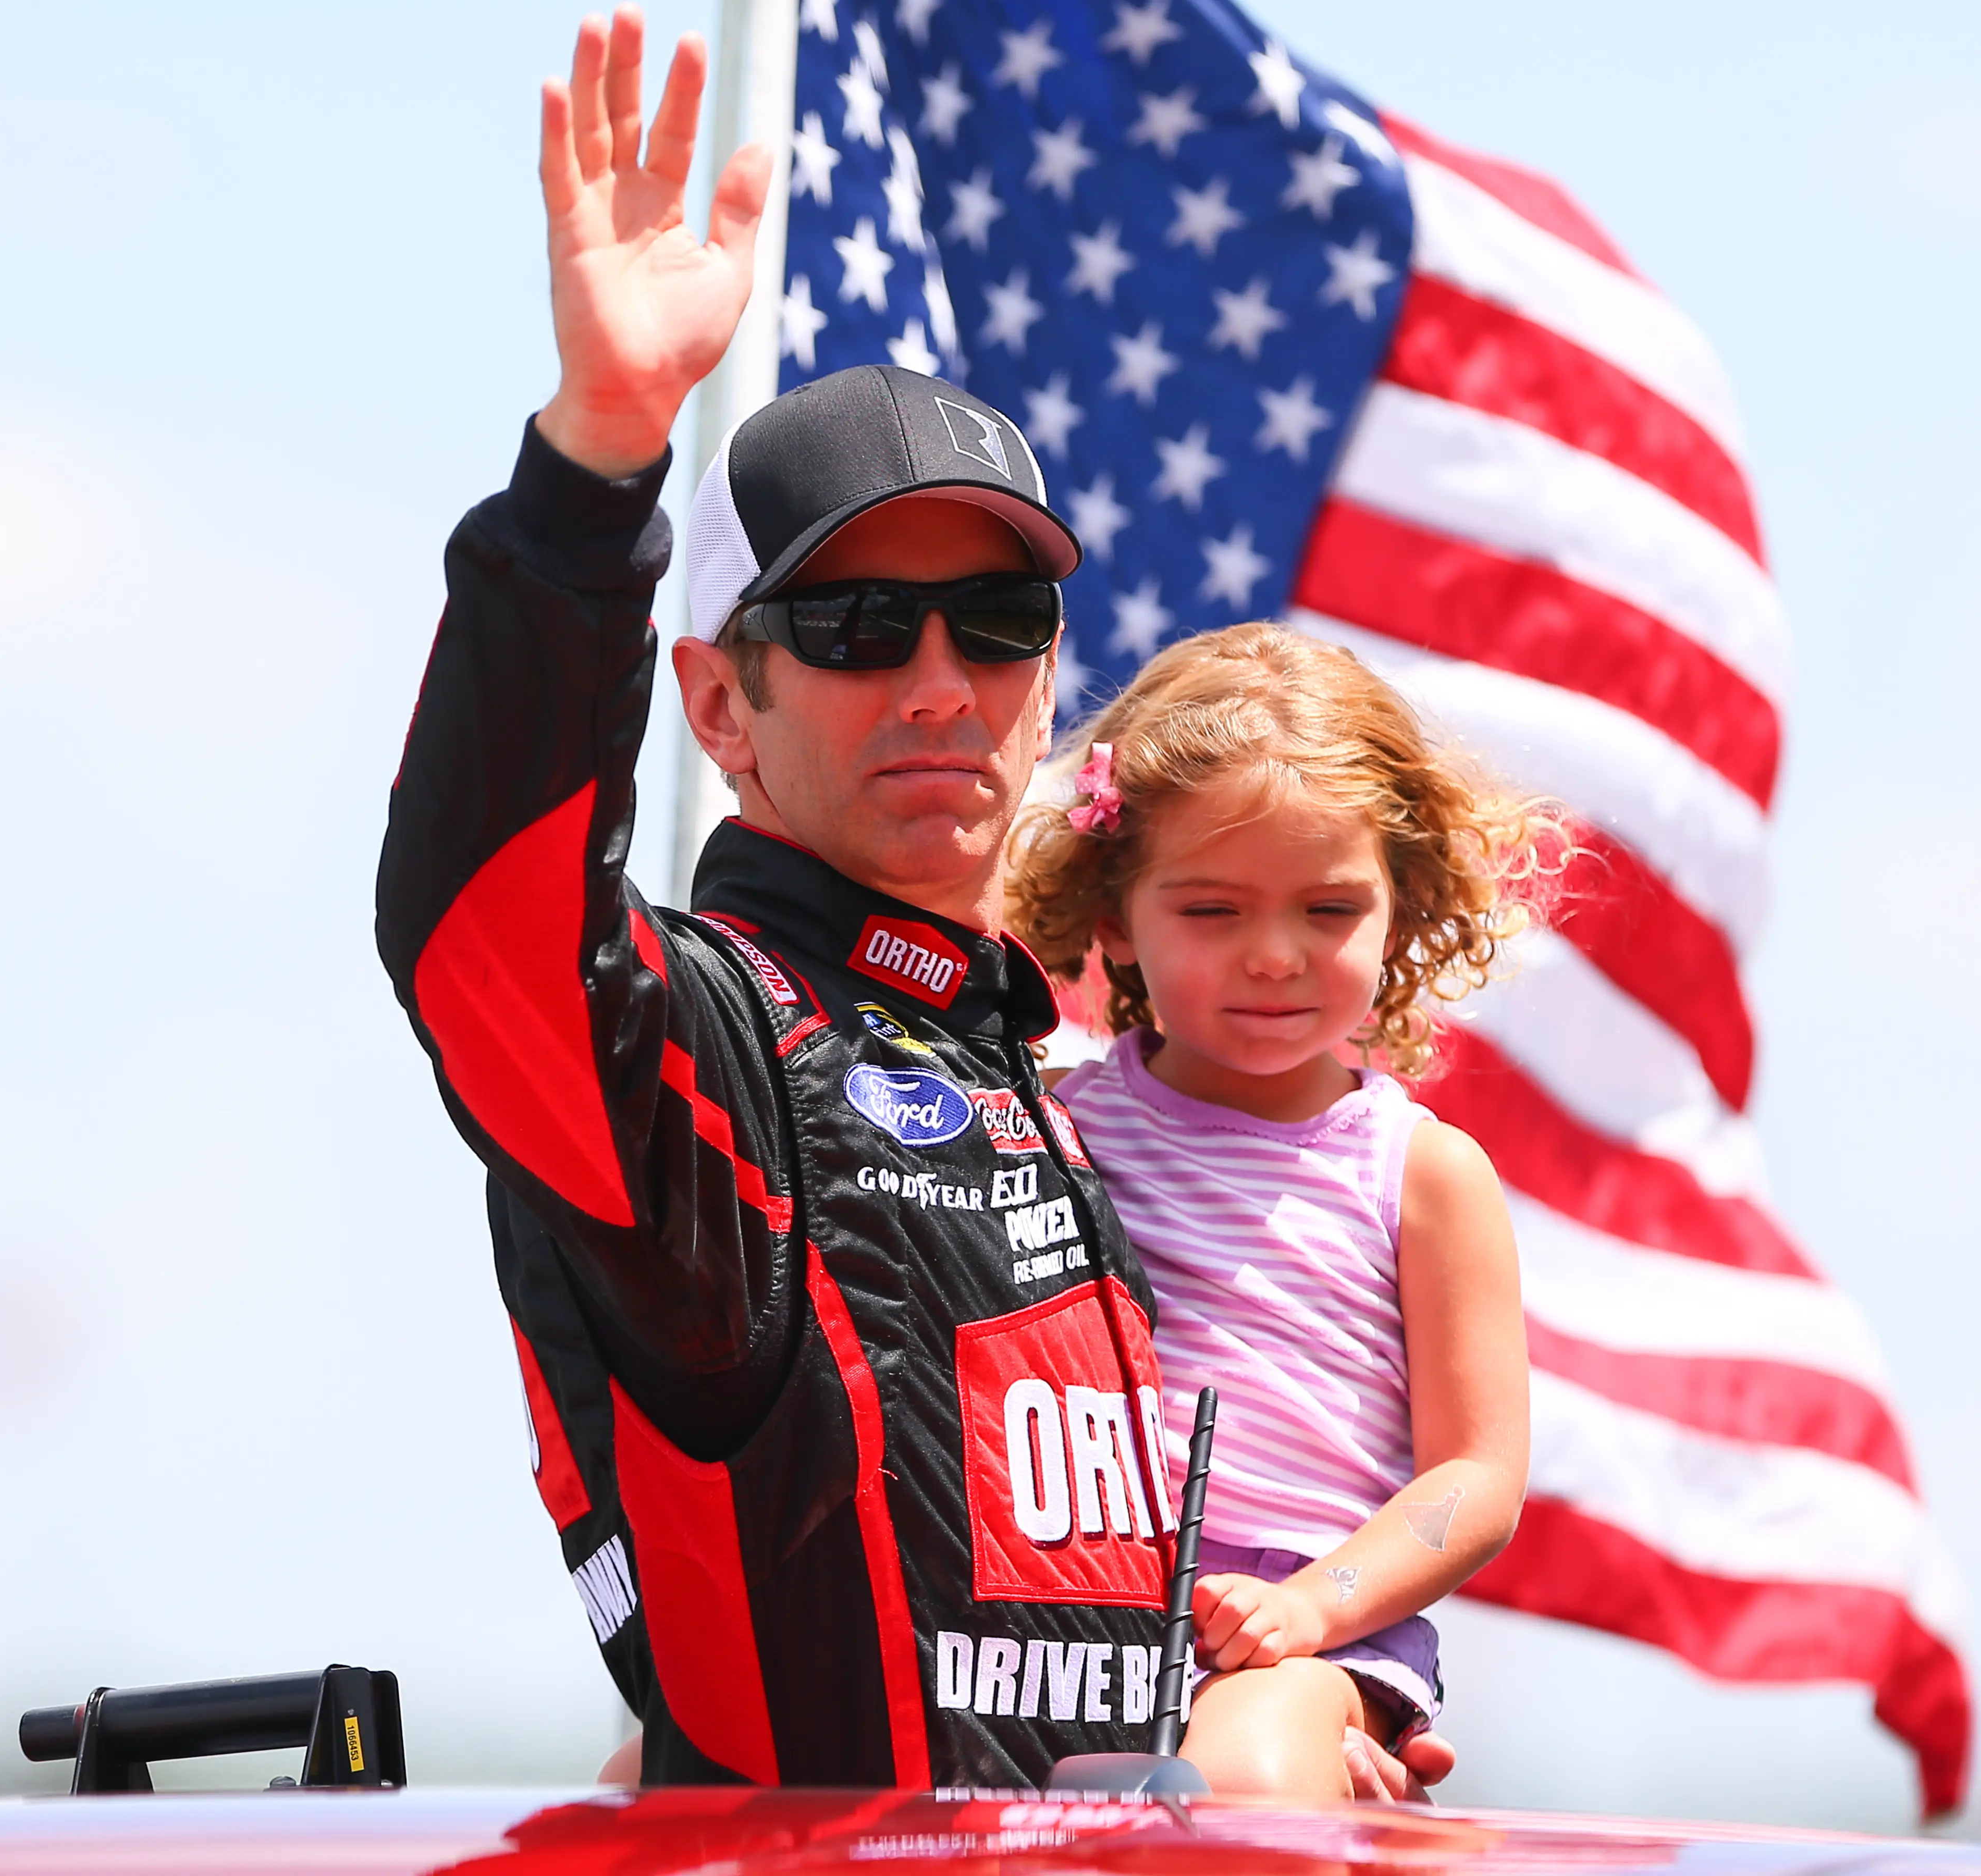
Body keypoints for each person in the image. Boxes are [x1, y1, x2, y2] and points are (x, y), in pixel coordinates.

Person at [373, 9, 1445, 1795]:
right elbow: (483, 939)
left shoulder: (1081, 1069)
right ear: (720, 705)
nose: (941, 681)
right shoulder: (707, 1035)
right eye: (863, 630)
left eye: (997, 627)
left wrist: (1320, 1731)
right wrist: (598, 460)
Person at [1008, 625, 1550, 1799]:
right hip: (1054, 1622)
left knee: (1243, 1780)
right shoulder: (1050, 1128)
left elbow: (1479, 1473)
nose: (1273, 955)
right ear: (1113, 915)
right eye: (1211, 911)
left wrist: (1312, 1606)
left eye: (1328, 910)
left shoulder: (1425, 1174)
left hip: (1317, 1641)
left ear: (1401, 911)